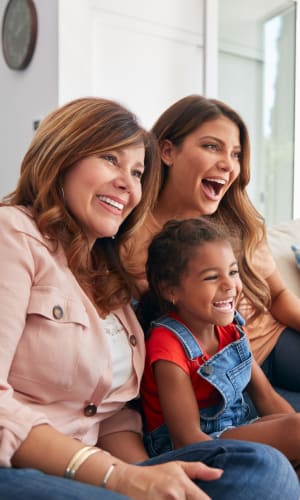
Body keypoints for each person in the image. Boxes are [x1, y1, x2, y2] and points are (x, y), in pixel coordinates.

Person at [1, 97, 296, 500]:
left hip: (103, 468)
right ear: (61, 156)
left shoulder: (109, 279)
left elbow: (113, 417)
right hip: (23, 464)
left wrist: (146, 476)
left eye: (137, 171)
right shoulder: (13, 235)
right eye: (110, 159)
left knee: (264, 469)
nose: (128, 183)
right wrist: (120, 478)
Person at [121, 94, 300, 410]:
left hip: (277, 344)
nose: (228, 164)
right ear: (167, 151)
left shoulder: (237, 221)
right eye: (211, 146)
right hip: (221, 380)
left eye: (236, 153)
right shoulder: (129, 239)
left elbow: (279, 298)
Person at [138, 217, 300, 478]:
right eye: (212, 277)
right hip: (187, 448)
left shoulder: (231, 328)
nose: (229, 285)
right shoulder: (167, 345)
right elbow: (186, 439)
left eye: (233, 272)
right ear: (171, 291)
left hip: (235, 427)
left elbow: (266, 397)